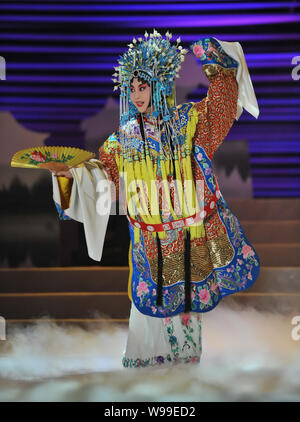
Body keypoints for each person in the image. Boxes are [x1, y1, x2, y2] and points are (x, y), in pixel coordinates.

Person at [51, 30, 261, 369]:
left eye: (143, 86)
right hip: (149, 241)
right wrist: (65, 177)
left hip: (186, 235)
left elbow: (221, 109)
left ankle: (186, 377)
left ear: (160, 84)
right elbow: (102, 182)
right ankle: (149, 375)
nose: (136, 95)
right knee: (147, 312)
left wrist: (217, 65)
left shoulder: (186, 121)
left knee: (187, 310)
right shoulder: (121, 140)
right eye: (131, 88)